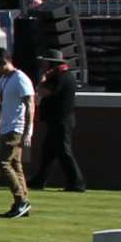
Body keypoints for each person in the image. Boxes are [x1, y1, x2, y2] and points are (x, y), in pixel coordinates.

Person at [0, 46, 33, 219]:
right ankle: (22, 202)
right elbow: (2, 106)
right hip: (6, 128)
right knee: (15, 165)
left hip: (16, 128)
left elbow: (30, 104)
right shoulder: (3, 80)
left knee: (3, 163)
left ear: (4, 62)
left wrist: (27, 131)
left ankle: (21, 200)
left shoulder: (20, 78)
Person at [34, 52, 85, 193]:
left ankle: (77, 183)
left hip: (61, 121)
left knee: (64, 151)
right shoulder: (64, 75)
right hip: (58, 120)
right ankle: (39, 180)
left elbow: (43, 91)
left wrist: (42, 80)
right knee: (48, 151)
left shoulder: (60, 76)